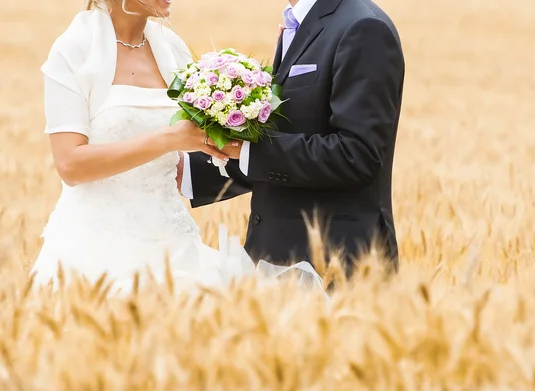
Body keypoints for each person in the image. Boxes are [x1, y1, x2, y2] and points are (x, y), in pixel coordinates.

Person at [30, 0, 323, 293]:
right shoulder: (73, 50)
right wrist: (171, 140)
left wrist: (264, 85)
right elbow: (70, 164)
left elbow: (206, 135)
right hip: (94, 249)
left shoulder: (171, 49)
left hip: (174, 243)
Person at [180, 0, 405, 276]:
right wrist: (186, 172)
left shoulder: (364, 27)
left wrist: (247, 149)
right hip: (277, 262)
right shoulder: (300, 22)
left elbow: (357, 155)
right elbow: (290, 139)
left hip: (339, 266)